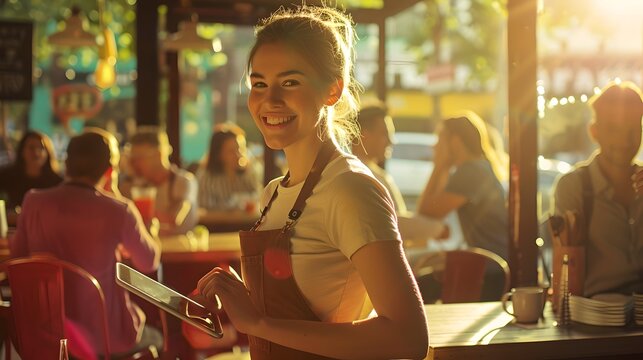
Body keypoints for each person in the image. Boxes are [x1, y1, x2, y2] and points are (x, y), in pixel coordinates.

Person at [196, 5, 428, 359]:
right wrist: (236, 296)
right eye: (259, 83)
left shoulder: (351, 189)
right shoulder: (274, 192)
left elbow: (408, 337)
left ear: (332, 91)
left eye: (290, 82)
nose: (269, 100)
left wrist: (258, 323)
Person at [10, 130, 163, 356]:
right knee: (159, 336)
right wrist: (149, 227)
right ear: (109, 171)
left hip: (45, 334)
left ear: (67, 164)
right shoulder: (118, 210)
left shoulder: (33, 202)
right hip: (104, 338)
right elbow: (149, 262)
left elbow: (18, 260)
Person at [552, 81, 643, 297]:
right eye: (613, 128)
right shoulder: (574, 187)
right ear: (594, 131)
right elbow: (565, 262)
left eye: (633, 128)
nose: (624, 139)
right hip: (594, 314)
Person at [416, 112, 508, 301]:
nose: (435, 146)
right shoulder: (477, 167)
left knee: (414, 288)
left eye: (440, 139)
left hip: (490, 271)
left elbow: (427, 211)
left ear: (455, 141)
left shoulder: (470, 171)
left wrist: (438, 165)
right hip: (489, 264)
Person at [352, 101, 447, 242]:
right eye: (385, 134)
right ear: (364, 135)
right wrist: (438, 229)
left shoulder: (371, 173)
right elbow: (390, 222)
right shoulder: (360, 175)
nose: (391, 141)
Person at [124, 126, 199, 235]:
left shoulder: (183, 182)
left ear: (159, 155)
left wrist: (139, 212)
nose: (134, 163)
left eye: (139, 157)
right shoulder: (132, 184)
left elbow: (175, 219)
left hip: (180, 249)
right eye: (132, 158)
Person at [197, 124, 262, 225]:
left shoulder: (249, 173)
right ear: (218, 154)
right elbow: (202, 213)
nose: (238, 155)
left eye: (241, 149)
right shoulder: (206, 176)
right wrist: (236, 215)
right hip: (217, 231)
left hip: (248, 227)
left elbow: (259, 204)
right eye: (231, 151)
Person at [0, 131, 63, 222]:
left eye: (41, 148)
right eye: (31, 148)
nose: (36, 152)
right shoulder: (7, 176)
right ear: (22, 151)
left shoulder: (56, 182)